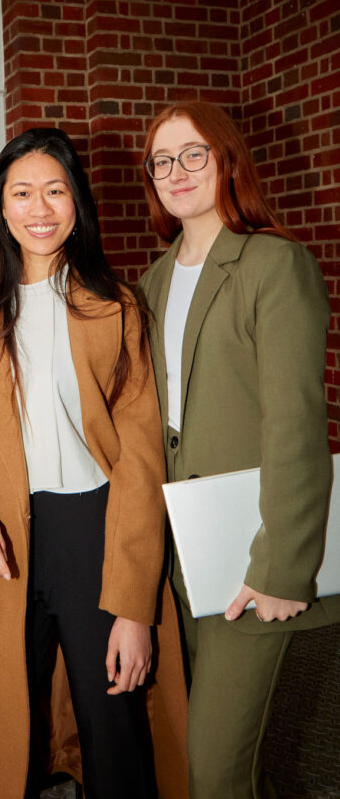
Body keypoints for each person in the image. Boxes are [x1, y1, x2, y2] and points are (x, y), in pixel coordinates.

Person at [0, 127, 186, 799]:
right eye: (21, 192)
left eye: (54, 190)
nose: (39, 208)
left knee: (112, 714)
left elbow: (138, 458)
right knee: (0, 721)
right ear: (0, 207)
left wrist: (133, 606)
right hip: (1, 536)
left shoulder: (117, 306)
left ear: (77, 202)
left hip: (95, 531)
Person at [137, 101, 339, 799]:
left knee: (216, 768)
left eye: (193, 153)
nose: (176, 171)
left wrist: (283, 567)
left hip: (251, 557)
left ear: (226, 160)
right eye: (161, 159)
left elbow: (294, 424)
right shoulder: (153, 280)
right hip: (183, 556)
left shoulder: (272, 264)